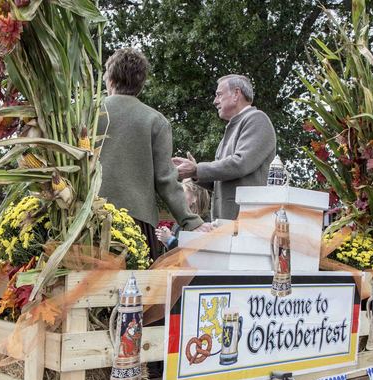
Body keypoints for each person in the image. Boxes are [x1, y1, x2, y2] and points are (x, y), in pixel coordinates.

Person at [98, 48, 212, 261]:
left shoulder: (89, 113)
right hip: (135, 224)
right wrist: (191, 221)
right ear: (140, 84)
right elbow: (166, 180)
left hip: (88, 220)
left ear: (110, 79)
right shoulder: (155, 121)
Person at [173, 74, 276, 220]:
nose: (215, 101)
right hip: (230, 222)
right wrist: (194, 173)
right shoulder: (234, 127)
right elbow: (221, 182)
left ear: (236, 94)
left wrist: (197, 169)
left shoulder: (257, 119)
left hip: (248, 223)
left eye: (219, 95)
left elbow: (241, 164)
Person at [155, 178, 211, 249]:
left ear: (195, 197)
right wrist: (166, 241)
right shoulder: (181, 220)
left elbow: (192, 254)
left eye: (182, 194)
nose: (179, 198)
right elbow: (174, 254)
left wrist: (170, 239)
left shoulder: (204, 225)